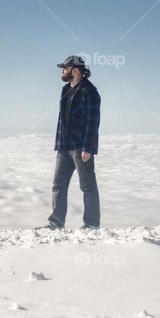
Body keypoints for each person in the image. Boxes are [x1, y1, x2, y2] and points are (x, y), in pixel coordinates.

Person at [39, 55, 101, 230]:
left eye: (64, 68)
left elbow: (93, 121)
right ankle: (56, 222)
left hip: (81, 148)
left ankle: (91, 224)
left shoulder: (90, 91)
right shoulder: (66, 89)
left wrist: (88, 147)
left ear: (75, 70)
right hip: (64, 147)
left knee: (87, 187)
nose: (62, 71)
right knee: (58, 185)